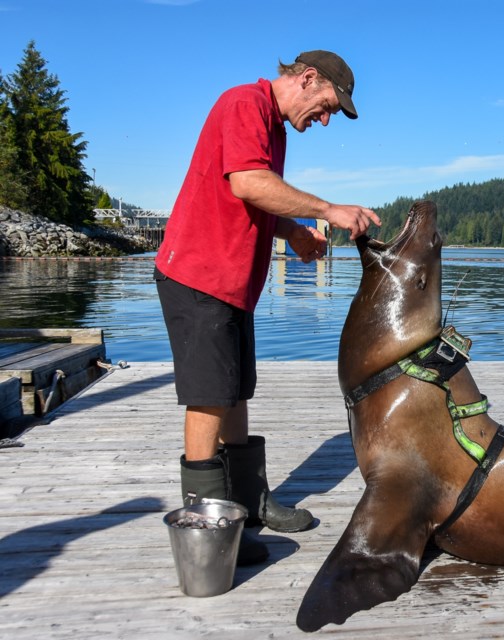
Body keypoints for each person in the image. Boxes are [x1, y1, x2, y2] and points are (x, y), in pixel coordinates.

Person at [154, 50, 380, 565]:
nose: (324, 119)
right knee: (210, 397)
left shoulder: (272, 126)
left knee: (234, 391)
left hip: (232, 283)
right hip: (198, 275)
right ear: (307, 78)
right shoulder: (244, 104)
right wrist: (326, 209)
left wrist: (296, 233)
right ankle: (208, 529)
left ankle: (249, 504)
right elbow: (247, 182)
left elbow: (256, 198)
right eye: (326, 105)